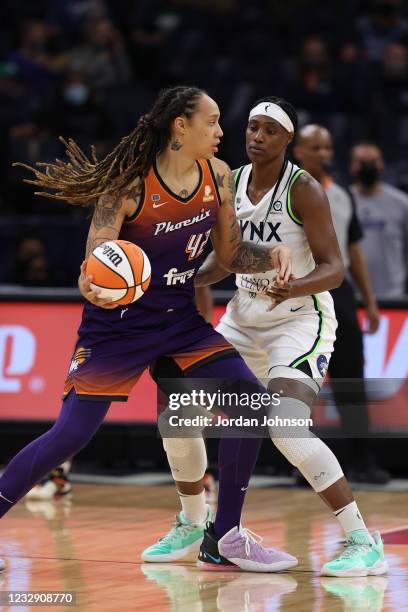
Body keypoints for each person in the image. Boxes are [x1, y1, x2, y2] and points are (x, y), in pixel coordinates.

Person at [0, 86, 296, 573]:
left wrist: (272, 256)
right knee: (70, 436)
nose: (223, 132)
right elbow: (96, 257)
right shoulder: (128, 184)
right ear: (181, 125)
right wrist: (92, 283)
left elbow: (228, 256)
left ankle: (224, 538)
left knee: (250, 405)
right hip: (116, 330)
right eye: (213, 121)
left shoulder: (217, 177)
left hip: (179, 324)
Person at [150, 97, 388, 577]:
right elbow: (227, 255)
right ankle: (196, 525)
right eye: (252, 128)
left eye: (268, 130)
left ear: (287, 141)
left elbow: (336, 269)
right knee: (176, 411)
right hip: (243, 317)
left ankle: (363, 540)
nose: (256, 136)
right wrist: (193, 275)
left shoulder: (304, 190)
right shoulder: (229, 182)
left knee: (285, 426)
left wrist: (292, 286)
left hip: (300, 321)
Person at [294, 126, 390, 484]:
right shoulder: (283, 191)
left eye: (328, 147)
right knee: (301, 380)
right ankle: (304, 464)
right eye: (315, 146)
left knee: (351, 378)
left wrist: (371, 301)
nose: (323, 152)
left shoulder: (344, 194)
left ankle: (362, 459)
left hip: (341, 292)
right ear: (298, 151)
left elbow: (353, 252)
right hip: (301, 290)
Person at [350, 141, 408, 298]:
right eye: (362, 163)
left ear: (382, 164)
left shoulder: (402, 203)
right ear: (352, 166)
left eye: (373, 162)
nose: (368, 167)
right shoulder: (341, 201)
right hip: (353, 296)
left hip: (394, 296)